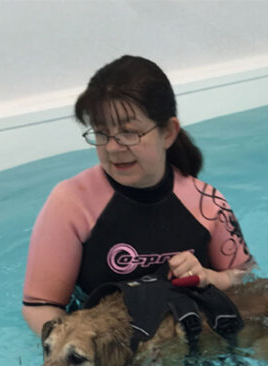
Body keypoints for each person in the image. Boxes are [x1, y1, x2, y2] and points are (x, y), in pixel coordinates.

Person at [22, 55, 255, 336]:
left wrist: (210, 277)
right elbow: (39, 305)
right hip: (110, 365)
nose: (112, 148)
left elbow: (246, 279)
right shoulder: (70, 203)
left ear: (168, 132)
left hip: (194, 351)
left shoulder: (207, 203)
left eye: (129, 133)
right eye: (101, 133)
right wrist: (93, 357)